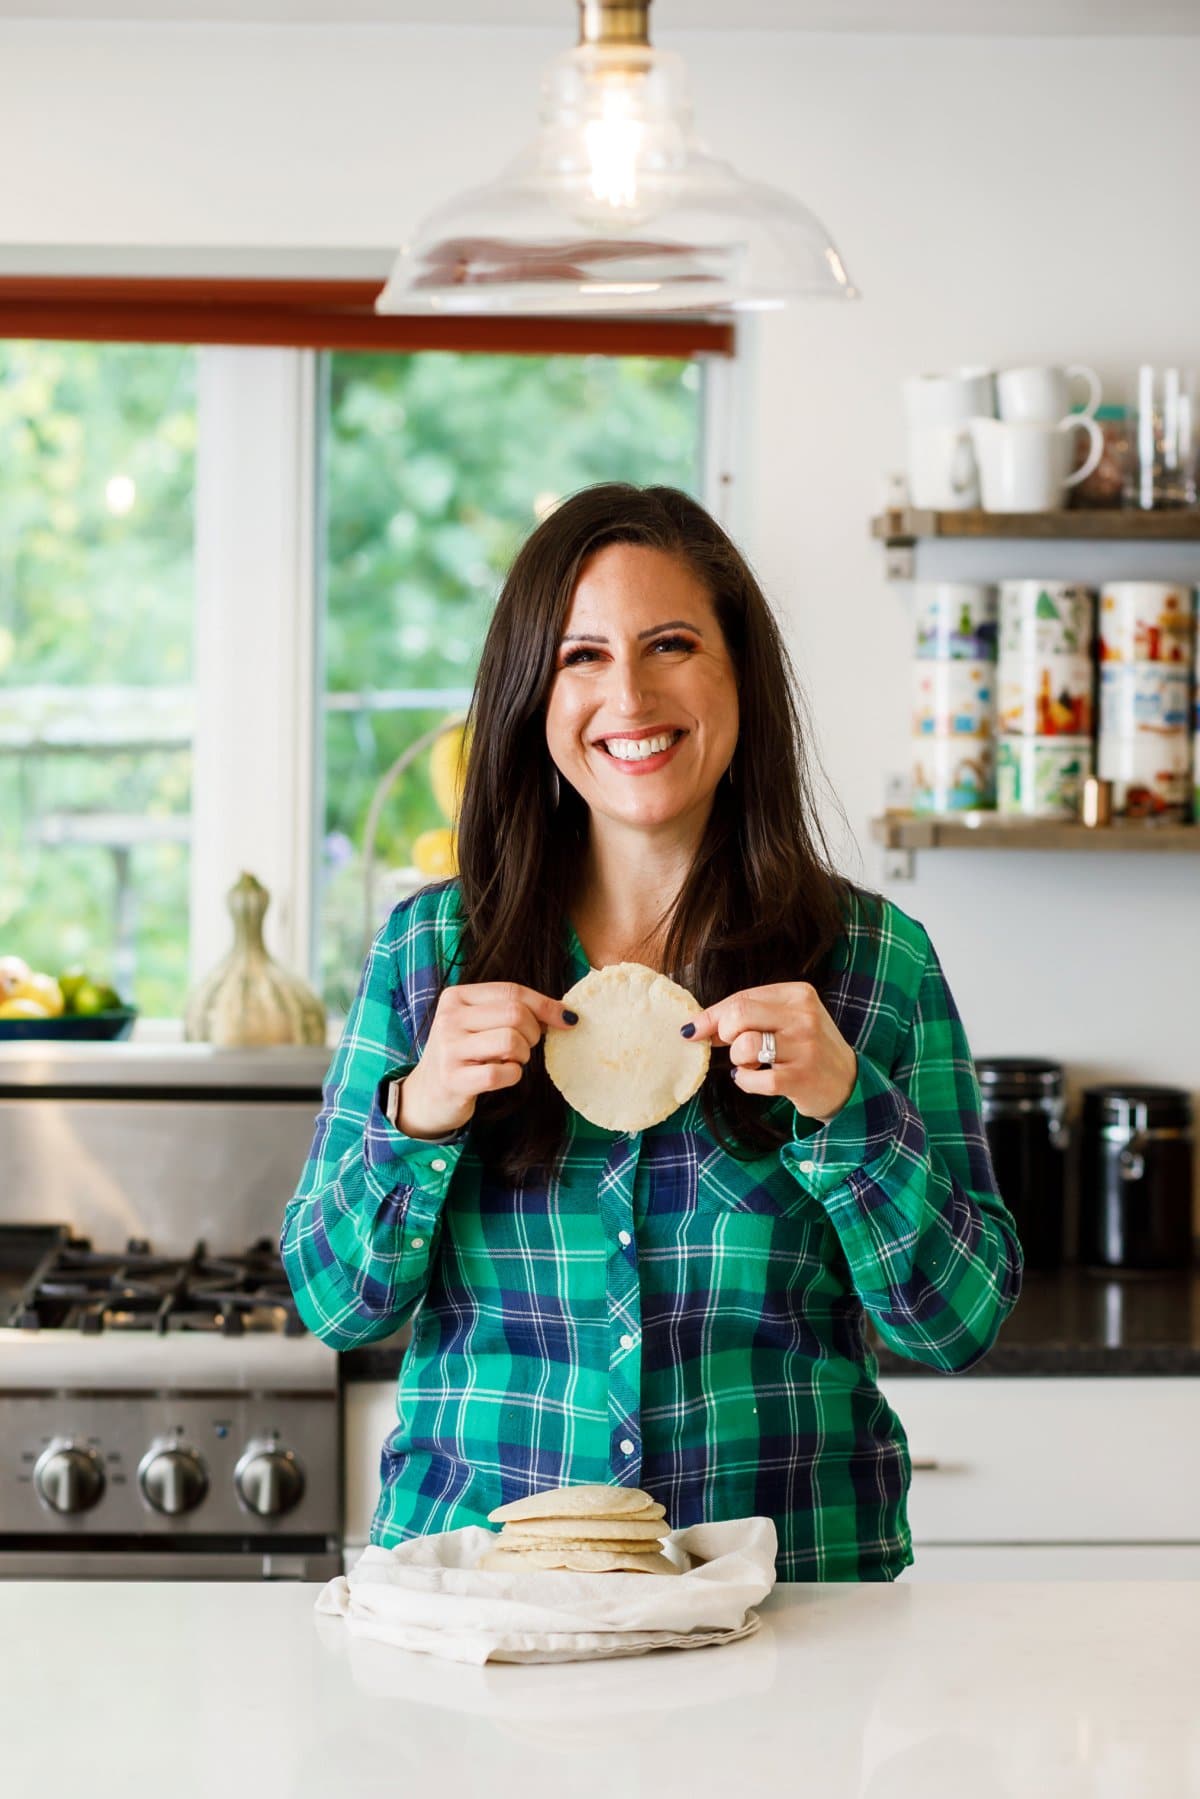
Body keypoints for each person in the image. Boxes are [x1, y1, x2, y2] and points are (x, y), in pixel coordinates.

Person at [281, 483, 1022, 1582]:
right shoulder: (430, 952)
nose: (628, 692)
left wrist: (849, 1111)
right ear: (535, 692)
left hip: (792, 1611)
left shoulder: (874, 962)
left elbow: (955, 1324)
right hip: (489, 1607)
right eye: (581, 655)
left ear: (739, 676)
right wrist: (418, 1112)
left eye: (671, 643)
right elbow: (334, 1302)